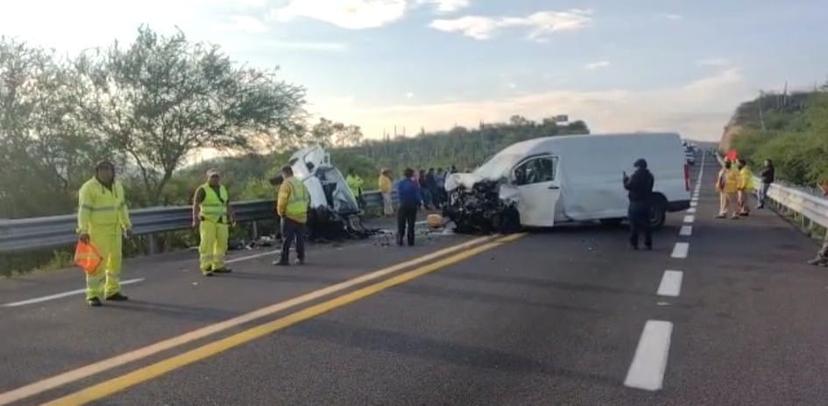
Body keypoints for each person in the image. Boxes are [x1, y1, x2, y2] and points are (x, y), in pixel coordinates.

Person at [77, 160, 133, 307]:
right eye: (102, 169)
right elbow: (84, 211)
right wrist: (82, 230)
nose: (105, 172)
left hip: (115, 230)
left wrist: (126, 225)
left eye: (108, 169)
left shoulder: (117, 186)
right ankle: (93, 294)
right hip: (97, 231)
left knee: (115, 262)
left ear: (112, 171)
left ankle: (112, 291)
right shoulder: (88, 188)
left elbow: (122, 207)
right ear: (96, 172)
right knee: (96, 263)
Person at [192, 169, 235, 277]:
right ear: (208, 178)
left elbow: (227, 203)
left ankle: (219, 265)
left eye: (216, 177)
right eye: (212, 177)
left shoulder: (222, 188)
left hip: (222, 220)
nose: (215, 179)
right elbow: (196, 204)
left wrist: (232, 216)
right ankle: (206, 267)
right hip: (208, 220)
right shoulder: (202, 189)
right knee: (207, 244)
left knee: (222, 243)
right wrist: (195, 218)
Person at [275, 165, 310, 266]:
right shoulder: (300, 183)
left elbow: (282, 201)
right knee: (300, 238)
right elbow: (308, 198)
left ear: (284, 173)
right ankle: (301, 258)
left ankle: (284, 259)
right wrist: (304, 209)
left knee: (287, 238)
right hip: (302, 215)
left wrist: (281, 212)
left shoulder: (286, 184)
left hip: (290, 215)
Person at [623, 159, 654, 250]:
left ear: (639, 166)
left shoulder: (635, 176)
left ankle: (634, 244)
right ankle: (648, 244)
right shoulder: (650, 176)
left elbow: (628, 186)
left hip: (635, 203)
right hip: (646, 203)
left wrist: (625, 179)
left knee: (634, 225)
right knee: (647, 225)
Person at [396, 168, 423, 246]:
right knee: (411, 224)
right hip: (412, 205)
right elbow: (417, 195)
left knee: (401, 223)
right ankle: (410, 240)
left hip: (403, 205)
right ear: (412, 174)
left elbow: (398, 194)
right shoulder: (414, 183)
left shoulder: (400, 183)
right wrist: (420, 204)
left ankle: (400, 238)